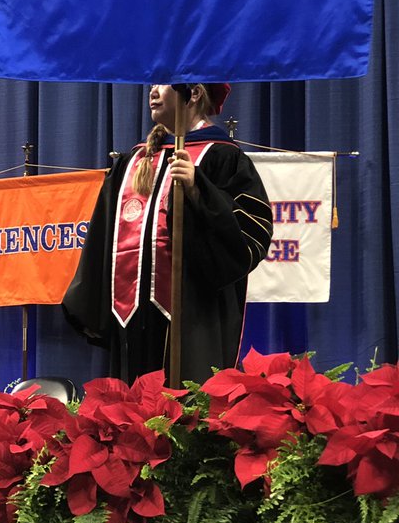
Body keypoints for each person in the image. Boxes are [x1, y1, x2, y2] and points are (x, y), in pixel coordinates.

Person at [63, 83, 273, 384]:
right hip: (131, 317)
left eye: (162, 83)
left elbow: (251, 233)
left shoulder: (223, 157)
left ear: (194, 93)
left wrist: (199, 190)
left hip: (193, 317)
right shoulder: (132, 162)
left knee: (186, 400)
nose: (152, 91)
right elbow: (102, 240)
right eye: (151, 83)